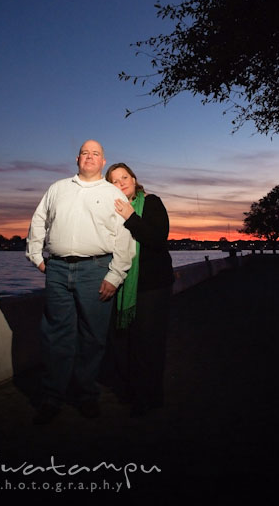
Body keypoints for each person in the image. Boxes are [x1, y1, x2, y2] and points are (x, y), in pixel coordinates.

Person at [26, 140, 135, 424]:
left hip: (96, 269)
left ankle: (86, 395)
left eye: (95, 153)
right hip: (58, 269)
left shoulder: (113, 193)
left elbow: (125, 237)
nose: (90, 157)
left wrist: (115, 274)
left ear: (102, 161)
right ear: (77, 159)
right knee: (55, 336)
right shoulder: (57, 189)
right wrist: (36, 255)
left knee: (93, 337)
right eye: (85, 152)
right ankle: (52, 397)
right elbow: (39, 221)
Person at [103, 162, 174, 417]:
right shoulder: (108, 210)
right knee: (123, 342)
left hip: (153, 285)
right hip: (121, 283)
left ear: (134, 179)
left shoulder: (152, 203)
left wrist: (130, 217)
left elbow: (157, 239)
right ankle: (132, 391)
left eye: (125, 177)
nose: (121, 183)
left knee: (149, 343)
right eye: (114, 180)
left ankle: (150, 397)